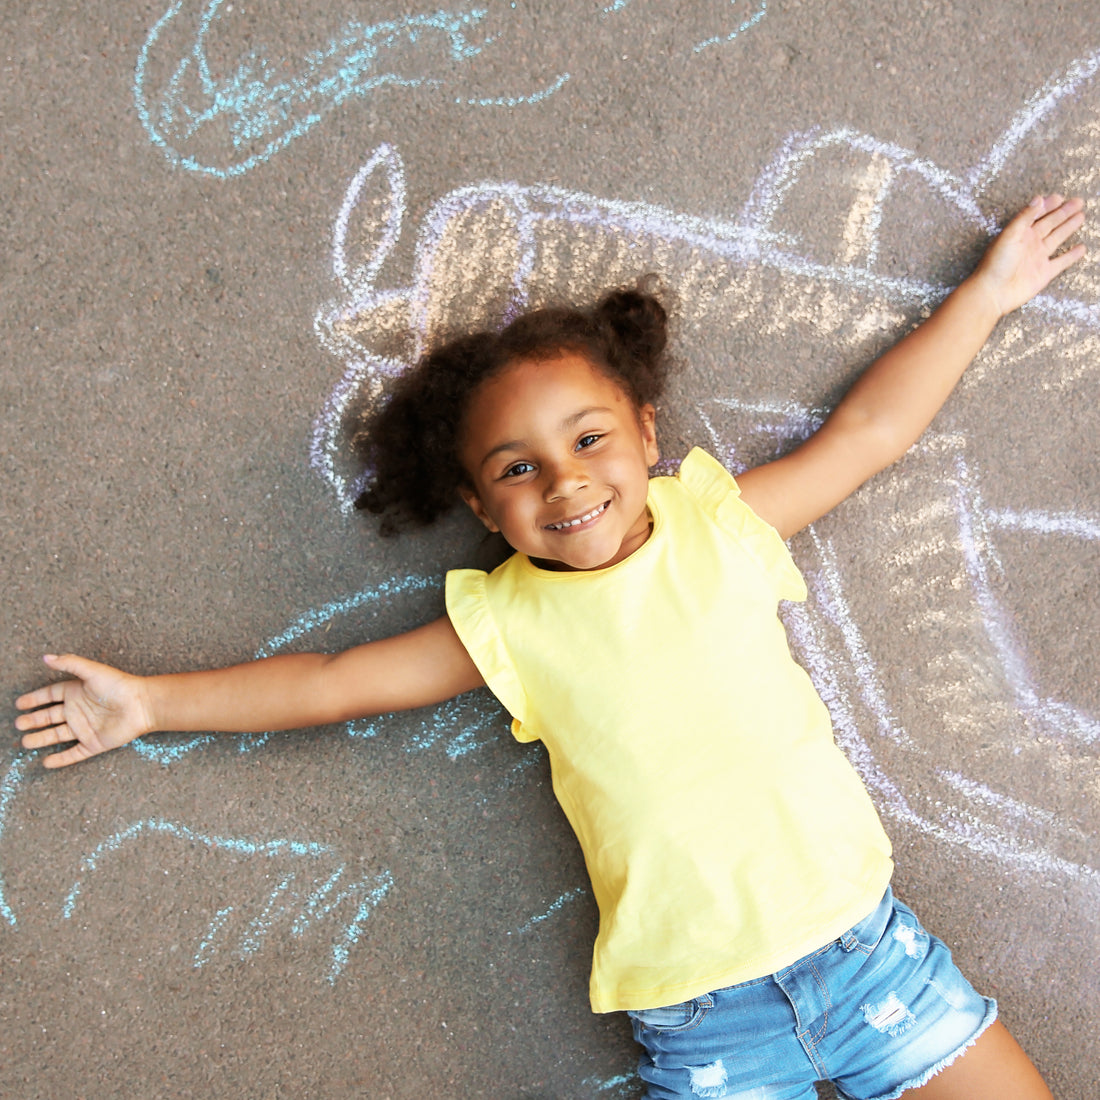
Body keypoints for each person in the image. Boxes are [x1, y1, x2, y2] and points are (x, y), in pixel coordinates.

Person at [15, 194, 1085, 1099]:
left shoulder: (717, 526)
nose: (564, 481)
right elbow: (333, 682)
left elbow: (865, 434)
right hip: (705, 1018)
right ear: (480, 503)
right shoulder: (509, 623)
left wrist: (984, 295)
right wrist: (150, 703)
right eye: (516, 468)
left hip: (864, 956)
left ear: (646, 434)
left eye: (586, 439)